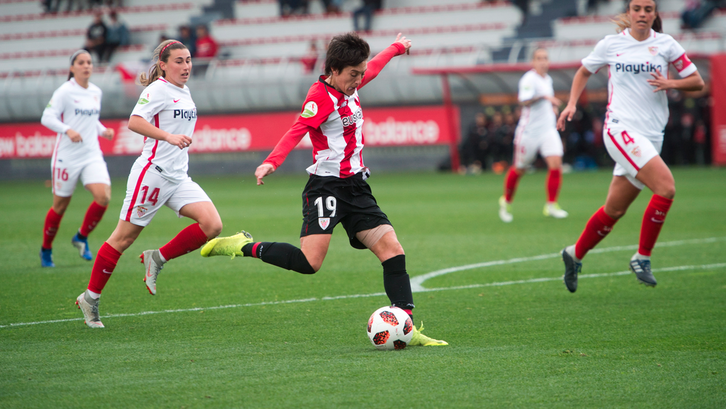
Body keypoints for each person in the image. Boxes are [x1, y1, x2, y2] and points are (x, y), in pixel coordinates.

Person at [200, 33, 447, 347]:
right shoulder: (320, 96)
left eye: (361, 73)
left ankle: (406, 328)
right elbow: (297, 129)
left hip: (357, 187)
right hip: (326, 189)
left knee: (393, 251)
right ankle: (240, 245)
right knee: (309, 263)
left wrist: (398, 48)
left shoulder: (351, 81)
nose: (359, 80)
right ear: (333, 69)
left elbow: (376, 67)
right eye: (353, 74)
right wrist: (271, 162)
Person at [557, 0, 704, 292]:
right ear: (628, 11)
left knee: (614, 210)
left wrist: (672, 82)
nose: (642, 14)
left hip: (651, 136)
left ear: (654, 14)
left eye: (648, 9)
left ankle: (574, 254)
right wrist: (571, 103)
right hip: (620, 129)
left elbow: (697, 81)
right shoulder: (612, 44)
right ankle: (642, 257)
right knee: (666, 188)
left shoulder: (666, 44)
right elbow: (584, 71)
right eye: (636, 8)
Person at [75, 40, 224, 328]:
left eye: (189, 60)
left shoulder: (184, 90)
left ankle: (157, 258)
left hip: (178, 176)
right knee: (123, 239)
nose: (186, 66)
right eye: (179, 61)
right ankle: (90, 299)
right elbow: (134, 121)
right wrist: (168, 137)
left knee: (212, 225)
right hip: (152, 174)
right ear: (164, 65)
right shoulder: (156, 90)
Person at [39, 50, 115, 267]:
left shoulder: (95, 92)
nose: (86, 66)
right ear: (72, 68)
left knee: (104, 196)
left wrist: (103, 131)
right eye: (81, 62)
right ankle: (46, 248)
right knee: (60, 206)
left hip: (91, 154)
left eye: (89, 62)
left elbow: (92, 120)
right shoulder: (65, 91)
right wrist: (67, 130)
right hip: (67, 157)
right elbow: (47, 117)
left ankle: (81, 237)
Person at [499, 48, 567, 223]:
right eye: (539, 58)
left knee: (556, 164)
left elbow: (546, 101)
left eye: (545, 58)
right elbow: (524, 101)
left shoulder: (548, 79)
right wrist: (544, 97)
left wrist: (551, 107)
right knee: (519, 168)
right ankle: (506, 201)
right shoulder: (529, 79)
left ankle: (551, 205)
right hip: (529, 133)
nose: (543, 61)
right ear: (532, 62)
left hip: (548, 130)